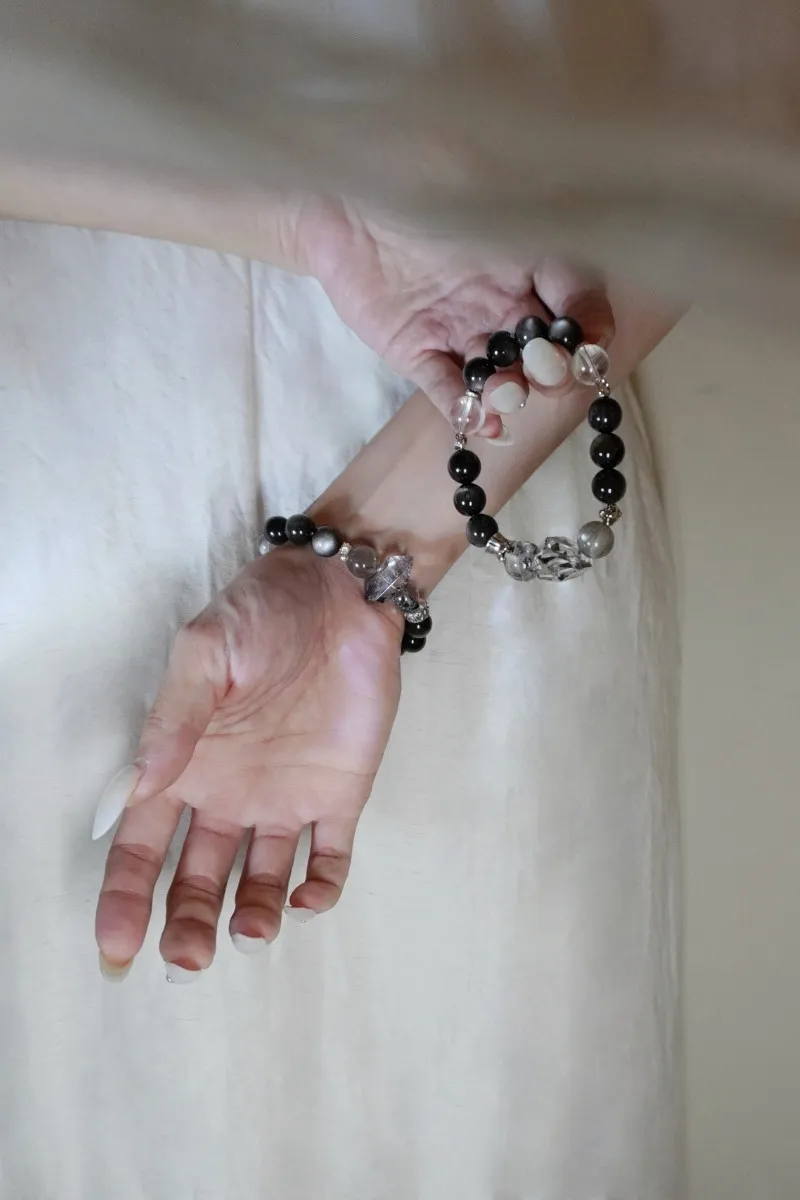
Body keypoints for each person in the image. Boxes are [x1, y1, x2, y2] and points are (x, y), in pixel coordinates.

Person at [0, 179, 681, 1196]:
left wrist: (373, 549)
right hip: (72, 464)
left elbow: (737, 124)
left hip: (481, 428)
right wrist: (312, 211)